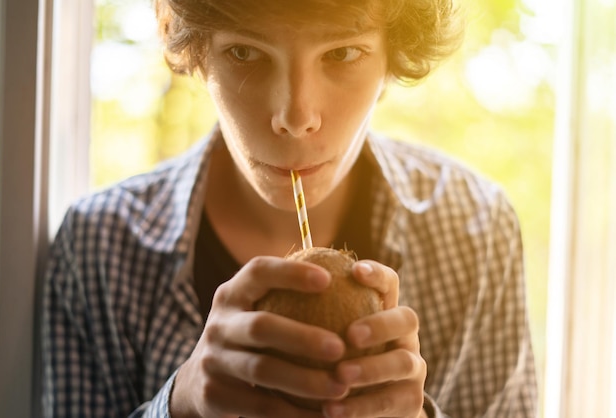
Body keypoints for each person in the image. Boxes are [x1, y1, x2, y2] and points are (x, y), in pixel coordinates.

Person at [41, 0, 538, 417]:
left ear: (393, 58)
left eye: (342, 52)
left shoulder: (476, 231)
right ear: (197, 54)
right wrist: (180, 403)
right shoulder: (99, 248)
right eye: (245, 52)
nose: (295, 116)